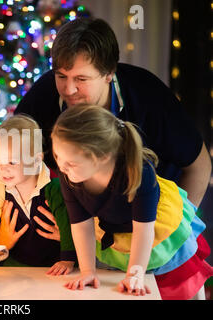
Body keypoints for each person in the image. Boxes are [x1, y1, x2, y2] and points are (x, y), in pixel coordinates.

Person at [14, 17, 211, 208]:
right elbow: (12, 154)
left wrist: (176, 231)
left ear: (109, 73)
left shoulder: (148, 95)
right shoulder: (42, 96)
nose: (69, 89)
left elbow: (199, 167)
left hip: (153, 216)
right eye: (61, 76)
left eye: (81, 79)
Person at [51, 105, 213, 299]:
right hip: (114, 226)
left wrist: (135, 273)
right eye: (57, 156)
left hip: (155, 226)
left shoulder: (139, 173)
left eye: (71, 162)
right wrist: (88, 271)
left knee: (175, 284)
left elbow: (144, 229)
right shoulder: (69, 175)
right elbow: (81, 224)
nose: (61, 166)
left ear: (102, 157)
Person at [0, 114, 76, 275]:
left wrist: (68, 258)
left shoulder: (54, 187)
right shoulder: (1, 187)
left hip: (53, 264)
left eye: (12, 162)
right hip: (16, 264)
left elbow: (66, 224)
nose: (3, 169)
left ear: (36, 160)